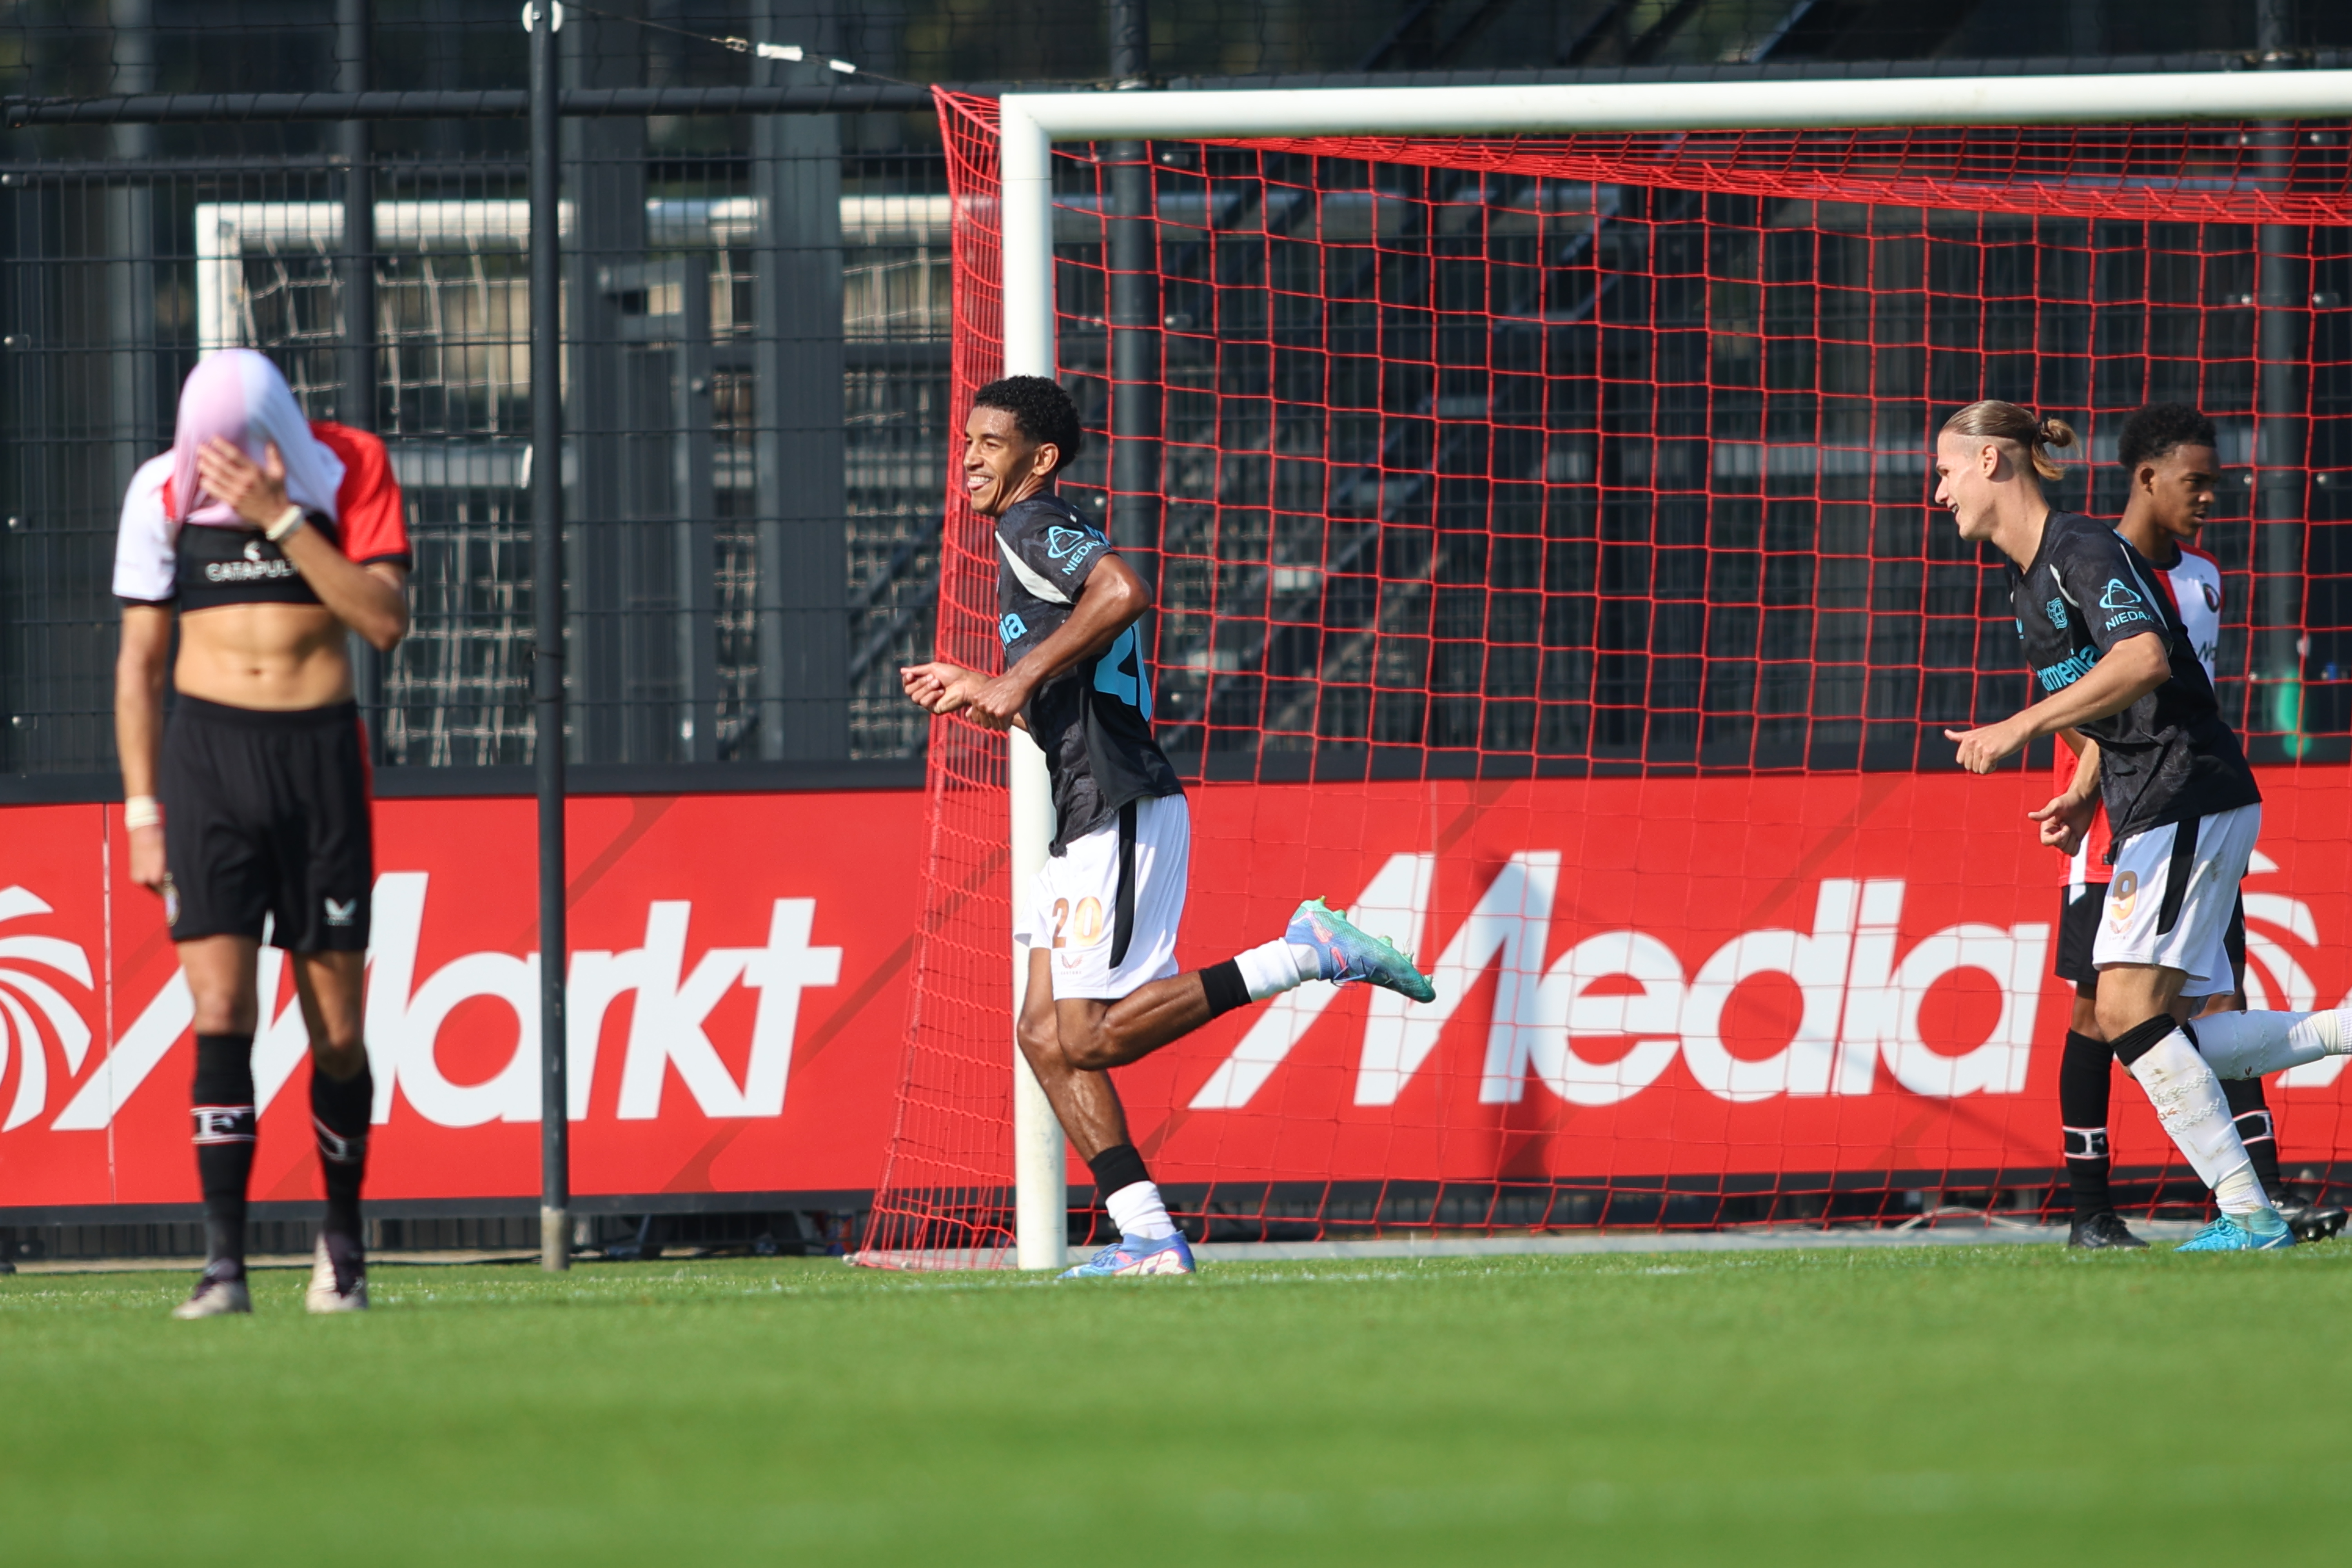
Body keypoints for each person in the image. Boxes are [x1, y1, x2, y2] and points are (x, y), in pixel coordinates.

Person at [900, 376, 1435, 1279]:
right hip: (1083, 802)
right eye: (967, 440)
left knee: (1092, 1035)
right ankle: (1148, 1236)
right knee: (1041, 1033)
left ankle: (1308, 953)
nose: (972, 457)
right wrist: (988, 692)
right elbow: (1081, 683)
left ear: (1041, 459)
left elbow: (1123, 587)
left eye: (992, 443)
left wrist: (1015, 680)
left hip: (1118, 798)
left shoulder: (1036, 525)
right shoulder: (1018, 541)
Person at [1936, 399, 2350, 1252]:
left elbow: (2146, 659)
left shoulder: (2081, 549)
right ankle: (2279, 1159)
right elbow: (2115, 694)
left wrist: (2021, 727)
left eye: (1944, 472)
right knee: (2172, 1029)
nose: (1938, 493)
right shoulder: (2028, 578)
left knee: (2124, 1012)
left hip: (2185, 790)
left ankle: (2250, 1216)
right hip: (2153, 797)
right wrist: (2086, 785)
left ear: (1989, 464)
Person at [114, 350, 411, 1316]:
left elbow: (384, 620)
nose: (222, 468)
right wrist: (145, 812)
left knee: (337, 1032)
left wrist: (283, 517)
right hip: (209, 768)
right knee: (220, 1009)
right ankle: (223, 1264)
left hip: (318, 765)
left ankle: (342, 1244)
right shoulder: (158, 492)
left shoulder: (348, 467)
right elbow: (139, 665)